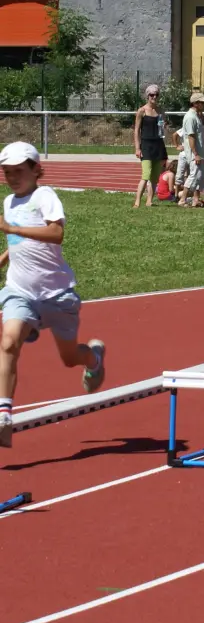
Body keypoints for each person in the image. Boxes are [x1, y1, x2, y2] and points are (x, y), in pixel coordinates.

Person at [0, 142, 105, 448]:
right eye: (7, 172)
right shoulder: (9, 202)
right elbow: (18, 238)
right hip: (20, 289)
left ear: (36, 170)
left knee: (69, 358)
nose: (12, 177)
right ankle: (4, 415)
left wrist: (12, 230)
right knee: (8, 342)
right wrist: (6, 256)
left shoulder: (45, 196)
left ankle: (94, 360)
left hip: (57, 294)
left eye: (19, 171)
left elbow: (56, 233)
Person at [133, 84, 168, 208]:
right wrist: (137, 148)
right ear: (147, 96)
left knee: (155, 177)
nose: (154, 97)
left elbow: (163, 129)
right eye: (151, 95)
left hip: (158, 145)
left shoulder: (160, 111)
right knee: (146, 174)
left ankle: (149, 201)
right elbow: (136, 130)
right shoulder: (142, 111)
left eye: (156, 95)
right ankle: (137, 201)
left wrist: (164, 127)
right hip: (146, 145)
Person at [178, 91, 204, 207]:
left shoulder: (197, 116)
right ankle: (182, 199)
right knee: (193, 175)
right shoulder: (190, 117)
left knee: (200, 176)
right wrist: (195, 153)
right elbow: (191, 137)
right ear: (195, 103)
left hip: (200, 152)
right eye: (202, 102)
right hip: (195, 153)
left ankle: (196, 199)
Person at [172, 126, 188, 196]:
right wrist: (177, 146)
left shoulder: (199, 127)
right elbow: (174, 135)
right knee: (179, 175)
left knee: (190, 175)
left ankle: (187, 194)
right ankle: (176, 196)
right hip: (184, 154)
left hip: (193, 154)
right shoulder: (185, 128)